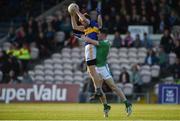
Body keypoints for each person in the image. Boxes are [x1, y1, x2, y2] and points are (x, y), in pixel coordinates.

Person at [79, 29, 132, 117]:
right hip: (96, 68)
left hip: (103, 67)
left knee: (113, 86)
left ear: (104, 35)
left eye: (99, 34)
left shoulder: (105, 43)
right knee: (99, 90)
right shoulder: (97, 42)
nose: (98, 35)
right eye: (98, 34)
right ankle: (106, 106)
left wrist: (81, 35)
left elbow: (89, 40)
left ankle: (127, 103)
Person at [69, 6, 104, 99]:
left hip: (92, 47)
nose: (81, 21)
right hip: (88, 48)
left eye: (82, 20)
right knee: (90, 71)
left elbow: (85, 19)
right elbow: (74, 27)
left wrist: (77, 11)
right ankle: (98, 89)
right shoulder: (85, 29)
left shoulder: (93, 24)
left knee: (92, 70)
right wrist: (72, 15)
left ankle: (98, 89)